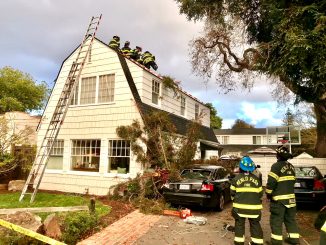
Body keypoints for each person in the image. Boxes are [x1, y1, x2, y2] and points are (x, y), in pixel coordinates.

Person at [266, 145, 300, 245]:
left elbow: (271, 182)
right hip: (291, 199)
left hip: (279, 200)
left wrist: (268, 194)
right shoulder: (291, 167)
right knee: (290, 220)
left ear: (278, 155)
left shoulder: (276, 166)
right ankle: (294, 240)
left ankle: (276, 242)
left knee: (276, 221)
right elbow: (293, 181)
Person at [230, 156, 264, 245]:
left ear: (240, 167)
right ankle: (257, 242)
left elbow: (232, 193)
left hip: (239, 209)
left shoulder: (236, 179)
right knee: (255, 224)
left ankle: (239, 242)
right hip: (254, 209)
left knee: (239, 224)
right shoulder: (257, 179)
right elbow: (260, 194)